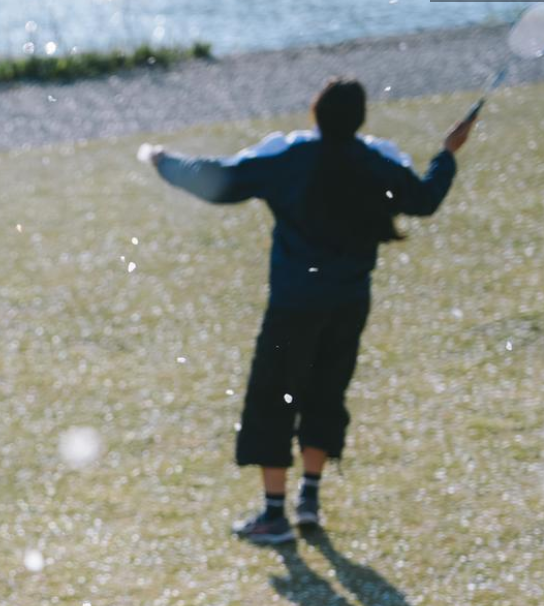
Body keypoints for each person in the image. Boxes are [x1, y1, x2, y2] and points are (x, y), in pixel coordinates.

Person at [140, 77, 474, 544]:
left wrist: (161, 159)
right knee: (327, 393)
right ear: (360, 119)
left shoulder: (290, 160)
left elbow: (220, 180)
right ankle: (309, 499)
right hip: (349, 302)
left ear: (316, 111)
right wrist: (447, 153)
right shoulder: (375, 164)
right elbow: (424, 200)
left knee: (273, 396)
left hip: (294, 304)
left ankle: (274, 514)